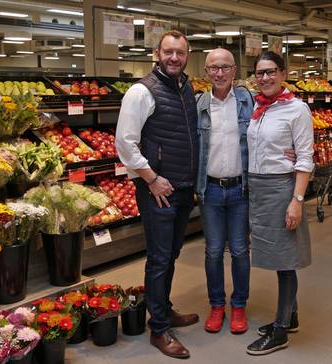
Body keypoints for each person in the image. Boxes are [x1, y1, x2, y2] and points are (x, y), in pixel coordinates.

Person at [115, 30, 199, 359]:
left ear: (187, 54)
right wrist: (151, 178)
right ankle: (159, 328)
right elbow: (125, 142)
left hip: (181, 188)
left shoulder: (185, 87)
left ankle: (163, 308)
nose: (174, 57)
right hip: (158, 190)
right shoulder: (140, 91)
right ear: (157, 52)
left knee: (172, 253)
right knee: (160, 258)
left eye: (180, 52)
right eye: (168, 52)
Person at [245, 51, 314, 355]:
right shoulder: (258, 107)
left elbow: (306, 158)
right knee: (278, 258)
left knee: (285, 261)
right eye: (260, 73)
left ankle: (281, 330)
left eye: (271, 71)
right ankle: (292, 315)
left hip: (282, 189)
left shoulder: (297, 110)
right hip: (258, 189)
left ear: (283, 73)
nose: (265, 78)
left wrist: (296, 200)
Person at [195, 48, 253, 335]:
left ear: (234, 71)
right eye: (213, 68)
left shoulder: (247, 101)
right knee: (214, 251)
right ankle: (217, 305)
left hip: (240, 189)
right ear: (206, 71)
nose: (219, 73)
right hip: (211, 191)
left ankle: (239, 304)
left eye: (225, 67)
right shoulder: (199, 104)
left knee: (241, 250)